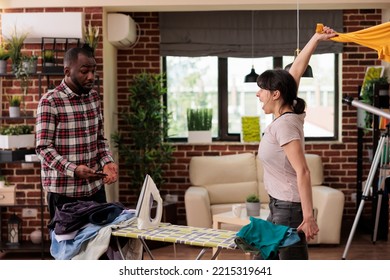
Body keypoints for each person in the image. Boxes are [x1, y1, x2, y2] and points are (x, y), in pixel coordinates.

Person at [256, 26, 337, 259]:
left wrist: (308, 215)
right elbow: (297, 69)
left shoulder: (285, 124)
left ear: (275, 94)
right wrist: (317, 38)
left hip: (289, 210)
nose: (257, 94)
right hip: (278, 208)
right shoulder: (284, 113)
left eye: (261, 89)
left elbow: (303, 171)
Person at [36, 47, 118, 220]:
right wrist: (74, 170)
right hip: (64, 195)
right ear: (67, 71)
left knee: (99, 246)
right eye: (84, 71)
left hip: (95, 191)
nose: (91, 76)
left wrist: (107, 161)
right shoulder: (50, 101)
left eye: (93, 71)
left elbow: (100, 139)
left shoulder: (94, 98)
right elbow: (43, 149)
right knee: (67, 247)